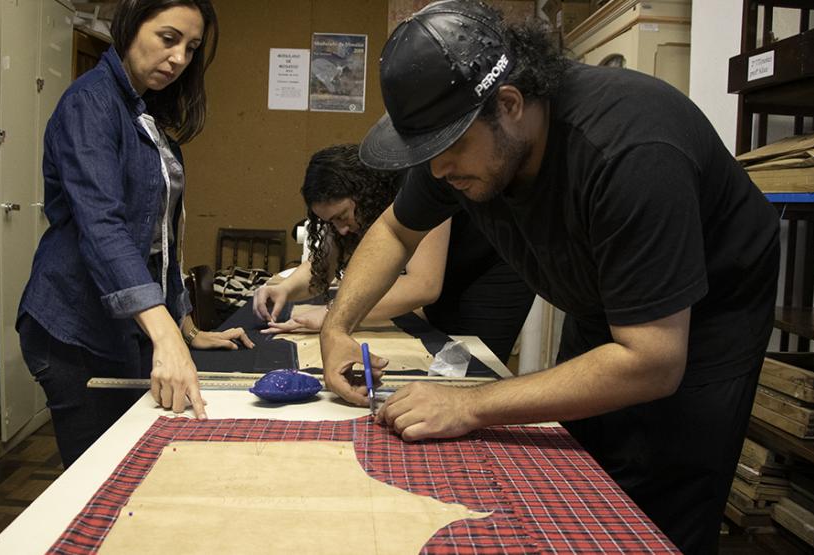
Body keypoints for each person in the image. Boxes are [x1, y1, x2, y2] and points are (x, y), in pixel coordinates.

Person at [319, 1, 780, 553]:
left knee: (657, 506)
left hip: (706, 317)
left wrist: (470, 403)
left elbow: (652, 360)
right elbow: (396, 231)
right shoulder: (466, 133)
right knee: (579, 475)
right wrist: (336, 326)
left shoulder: (632, 151)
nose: (438, 172)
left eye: (449, 151)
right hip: (601, 302)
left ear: (509, 104)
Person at [17, 0, 252, 468]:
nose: (180, 59)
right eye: (168, 39)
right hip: (73, 327)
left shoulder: (143, 114)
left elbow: (159, 237)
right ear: (129, 27)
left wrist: (185, 326)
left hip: (124, 329)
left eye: (191, 47)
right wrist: (165, 335)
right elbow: (103, 227)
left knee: (137, 459)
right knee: (100, 474)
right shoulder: (90, 103)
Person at [251, 144, 533, 363]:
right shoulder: (353, 205)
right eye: (330, 222)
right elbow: (322, 264)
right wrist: (284, 288)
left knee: (467, 369)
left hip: (491, 268)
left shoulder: (415, 186)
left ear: (364, 194)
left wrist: (335, 314)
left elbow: (423, 286)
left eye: (342, 217)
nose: (342, 230)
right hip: (449, 263)